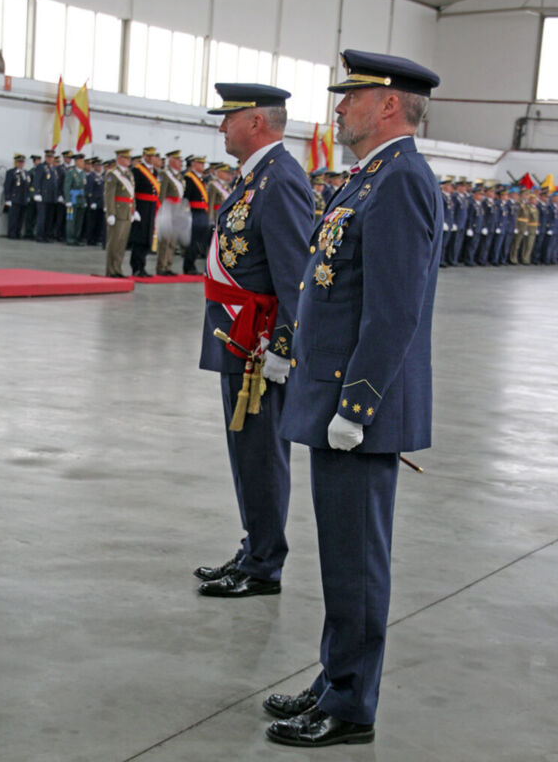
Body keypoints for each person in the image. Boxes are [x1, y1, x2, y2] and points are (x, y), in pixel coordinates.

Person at [264, 49, 443, 748]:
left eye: (353, 96)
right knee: (341, 555)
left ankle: (351, 704)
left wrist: (357, 406)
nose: (339, 108)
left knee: (357, 560)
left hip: (357, 413)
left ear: (389, 105)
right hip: (334, 399)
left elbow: (395, 310)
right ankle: (335, 676)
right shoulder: (368, 179)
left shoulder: (400, 181)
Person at [195, 82, 314, 597]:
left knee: (263, 456)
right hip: (238, 336)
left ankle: (265, 565)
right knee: (246, 454)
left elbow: (294, 277)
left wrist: (282, 350)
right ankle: (254, 547)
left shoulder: (281, 180)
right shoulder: (255, 178)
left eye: (229, 117)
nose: (222, 126)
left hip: (259, 347)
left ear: (256, 122)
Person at [104, 149, 138, 277]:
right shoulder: (112, 174)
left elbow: (131, 195)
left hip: (127, 213)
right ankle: (111, 270)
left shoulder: (129, 174)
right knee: (114, 243)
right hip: (117, 213)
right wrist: (110, 213)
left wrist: (133, 210)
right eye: (126, 158)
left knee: (122, 244)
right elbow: (109, 195)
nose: (129, 161)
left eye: (129, 158)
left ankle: (117, 269)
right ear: (119, 158)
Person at [130, 146, 161, 276]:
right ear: (143, 156)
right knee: (139, 238)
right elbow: (133, 191)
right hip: (141, 207)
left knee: (148, 237)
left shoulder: (155, 172)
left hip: (151, 207)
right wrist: (134, 208)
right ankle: (136, 267)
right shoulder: (136, 171)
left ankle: (142, 266)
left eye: (152, 156)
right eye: (148, 156)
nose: (150, 158)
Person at [156, 150, 184, 276]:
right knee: (165, 241)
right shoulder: (164, 174)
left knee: (172, 241)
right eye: (178, 160)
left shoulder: (180, 176)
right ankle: (161, 266)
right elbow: (161, 195)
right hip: (168, 210)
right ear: (171, 160)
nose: (181, 163)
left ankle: (168, 265)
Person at [183, 155, 209, 274]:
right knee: (193, 241)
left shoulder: (199, 179)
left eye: (203, 164)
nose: (202, 166)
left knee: (200, 240)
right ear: (193, 164)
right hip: (194, 212)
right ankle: (188, 266)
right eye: (200, 164)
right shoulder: (189, 178)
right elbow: (186, 198)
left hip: (202, 212)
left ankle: (192, 264)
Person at [33, 149, 59, 243]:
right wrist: (37, 193)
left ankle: (46, 235)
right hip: (43, 196)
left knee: (49, 218)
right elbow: (37, 180)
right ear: (45, 157)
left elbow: (55, 183)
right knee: (42, 218)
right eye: (48, 157)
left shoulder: (54, 168)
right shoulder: (41, 167)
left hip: (52, 197)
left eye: (51, 157)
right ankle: (39, 236)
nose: (50, 158)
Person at [3, 153, 29, 239]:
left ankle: (18, 233)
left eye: (22, 162)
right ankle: (11, 233)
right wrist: (7, 198)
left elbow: (27, 186)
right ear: (16, 162)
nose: (20, 164)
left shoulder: (26, 173)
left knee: (21, 218)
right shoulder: (11, 172)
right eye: (19, 162)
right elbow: (7, 186)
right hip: (14, 198)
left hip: (23, 198)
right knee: (13, 218)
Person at [64, 153, 88, 245]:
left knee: (79, 220)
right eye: (81, 161)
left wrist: (84, 200)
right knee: (71, 220)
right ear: (76, 162)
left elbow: (84, 188)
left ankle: (76, 238)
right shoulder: (71, 173)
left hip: (80, 200)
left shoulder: (83, 174)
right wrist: (67, 200)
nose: (83, 163)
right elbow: (67, 187)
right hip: (72, 199)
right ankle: (70, 238)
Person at [85, 158, 105, 246]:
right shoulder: (91, 176)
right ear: (94, 166)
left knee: (99, 222)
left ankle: (96, 238)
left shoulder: (102, 177)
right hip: (94, 203)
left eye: (100, 166)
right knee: (92, 222)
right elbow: (89, 190)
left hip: (101, 203)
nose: (99, 167)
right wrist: (91, 201)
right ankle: (90, 239)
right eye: (97, 166)